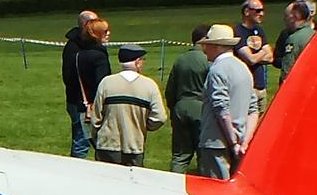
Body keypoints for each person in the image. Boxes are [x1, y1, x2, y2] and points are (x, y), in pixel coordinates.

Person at [91, 44, 166, 166]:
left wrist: (96, 135)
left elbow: (96, 117)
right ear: (137, 62)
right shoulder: (149, 85)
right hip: (134, 145)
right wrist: (144, 126)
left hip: (107, 145)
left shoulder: (106, 83)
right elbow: (160, 117)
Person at [197, 24, 252, 179]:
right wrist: (245, 141)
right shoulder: (244, 68)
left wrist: (232, 141)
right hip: (241, 141)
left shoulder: (217, 70)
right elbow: (253, 109)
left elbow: (221, 109)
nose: (205, 49)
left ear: (216, 46)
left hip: (216, 142)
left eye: (207, 45)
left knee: (215, 193)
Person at [59, 11, 111, 158]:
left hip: (84, 101)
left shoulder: (90, 49)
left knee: (89, 140)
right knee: (83, 141)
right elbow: (70, 77)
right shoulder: (75, 48)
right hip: (81, 102)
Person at [164, 24, 213, 174]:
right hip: (200, 109)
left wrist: (173, 109)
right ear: (204, 40)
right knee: (203, 154)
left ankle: (172, 185)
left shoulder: (180, 59)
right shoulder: (208, 61)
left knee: (180, 155)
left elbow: (170, 90)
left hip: (181, 107)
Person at [234, 0, 273, 113]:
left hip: (261, 88)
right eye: (258, 11)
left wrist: (256, 56)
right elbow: (250, 59)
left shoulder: (259, 31)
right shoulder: (237, 32)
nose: (261, 14)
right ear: (247, 12)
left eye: (262, 10)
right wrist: (262, 52)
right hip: (247, 89)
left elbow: (271, 57)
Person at [273, 0, 316, 82]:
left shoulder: (294, 39)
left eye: (286, 16)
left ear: (295, 16)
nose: (284, 19)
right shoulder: (316, 35)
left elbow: (287, 72)